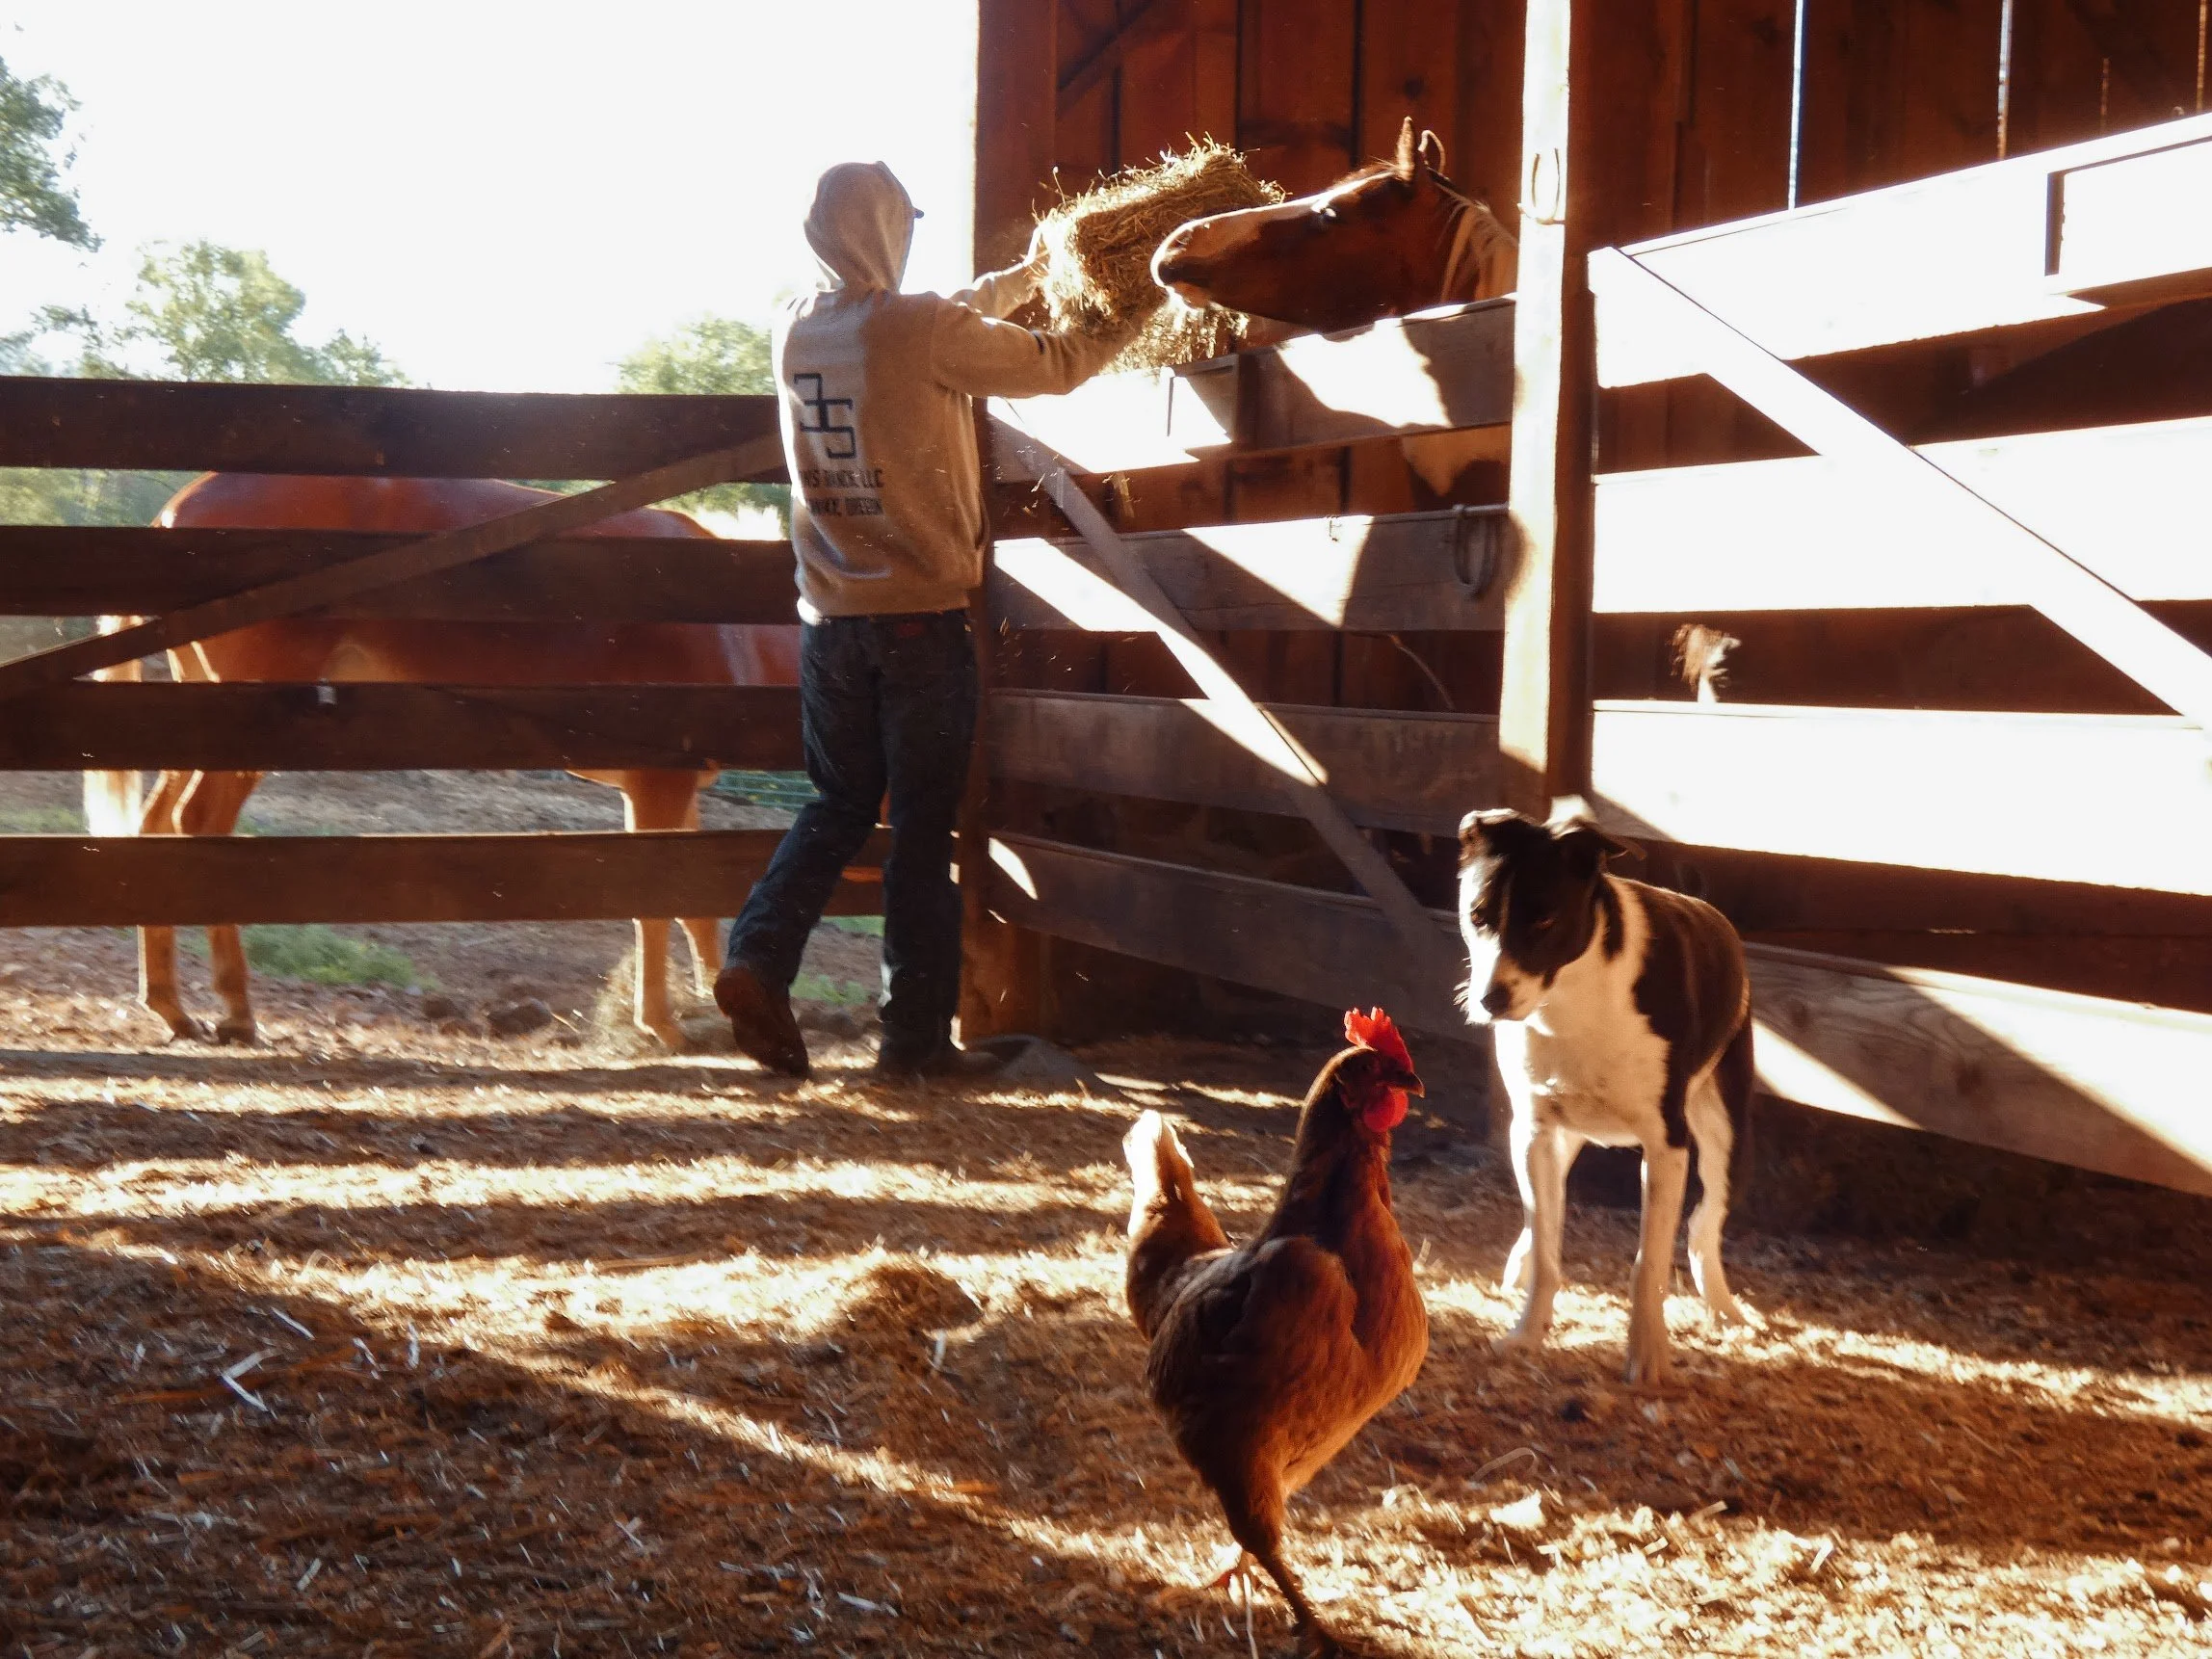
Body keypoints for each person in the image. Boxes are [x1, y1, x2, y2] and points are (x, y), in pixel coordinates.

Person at [715, 161, 1140, 1081]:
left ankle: (755, 958)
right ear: (884, 231)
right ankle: (911, 1045)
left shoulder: (795, 325)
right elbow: (1057, 364)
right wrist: (1140, 299)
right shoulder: (921, 331)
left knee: (833, 806)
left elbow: (941, 314)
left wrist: (1029, 273)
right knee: (921, 830)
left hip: (829, 624)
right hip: (919, 623)